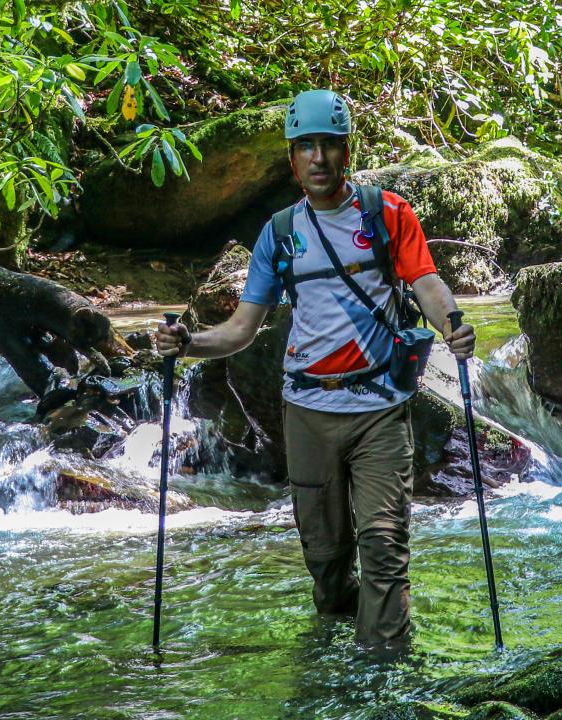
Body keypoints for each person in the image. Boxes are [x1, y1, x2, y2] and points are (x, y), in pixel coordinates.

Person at [155, 89, 475, 647]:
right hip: (306, 411)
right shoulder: (279, 234)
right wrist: (184, 343)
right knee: (326, 563)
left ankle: (383, 675)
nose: (319, 158)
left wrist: (452, 324)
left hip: (380, 408)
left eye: (329, 145)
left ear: (346, 151)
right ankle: (340, 645)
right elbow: (239, 331)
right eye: (307, 147)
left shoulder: (387, 214)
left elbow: (425, 281)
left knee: (383, 544)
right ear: (292, 159)